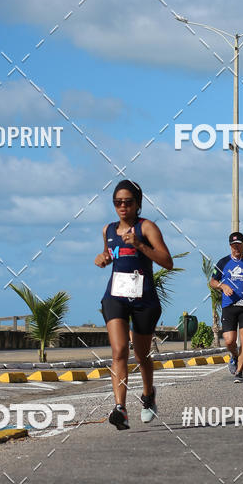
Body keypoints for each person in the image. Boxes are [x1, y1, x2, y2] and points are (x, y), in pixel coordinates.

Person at [95, 180, 173, 430]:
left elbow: (167, 261)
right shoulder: (108, 230)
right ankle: (120, 408)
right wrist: (103, 258)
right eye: (118, 202)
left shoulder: (146, 227)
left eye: (128, 202)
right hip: (115, 296)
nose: (122, 207)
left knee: (141, 355)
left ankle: (148, 395)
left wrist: (140, 245)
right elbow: (110, 256)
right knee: (119, 351)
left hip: (144, 299)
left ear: (138, 204)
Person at [209, 232, 243, 384]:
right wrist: (222, 285)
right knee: (229, 341)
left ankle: (239, 372)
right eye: (234, 245)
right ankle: (234, 356)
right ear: (230, 246)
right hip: (229, 306)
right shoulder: (223, 262)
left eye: (239, 244)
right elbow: (212, 282)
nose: (236, 247)